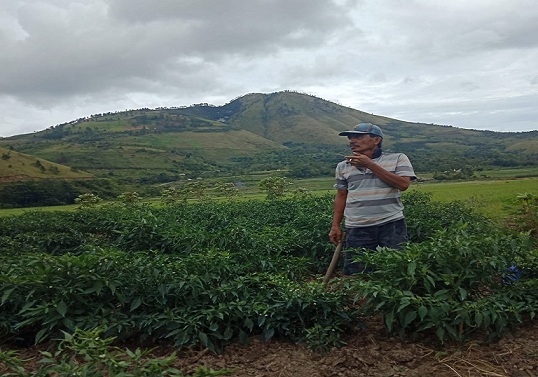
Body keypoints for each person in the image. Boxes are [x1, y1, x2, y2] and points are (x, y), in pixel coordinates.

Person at [328, 123, 416, 275]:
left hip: (391, 224)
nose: (352, 141)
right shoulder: (342, 167)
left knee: (395, 270)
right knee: (357, 273)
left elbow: (403, 184)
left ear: (376, 140)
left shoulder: (398, 158)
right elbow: (341, 196)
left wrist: (370, 164)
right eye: (350, 138)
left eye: (359, 137)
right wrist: (335, 225)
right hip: (357, 227)